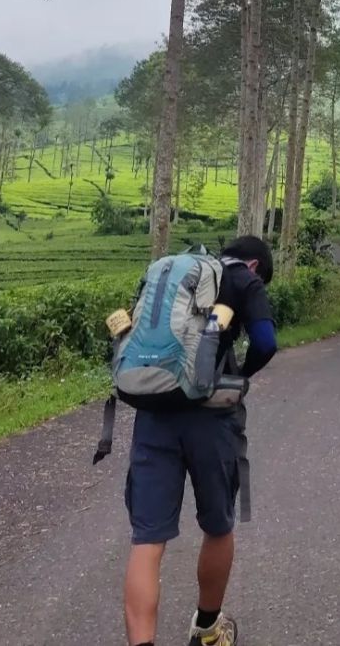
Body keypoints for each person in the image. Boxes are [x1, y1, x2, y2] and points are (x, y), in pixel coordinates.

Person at [123, 235, 278, 646]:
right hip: (211, 418)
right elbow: (266, 342)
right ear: (257, 265)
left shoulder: (176, 270)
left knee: (148, 537)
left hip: (153, 411)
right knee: (217, 524)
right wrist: (240, 373)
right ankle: (208, 630)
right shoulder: (245, 279)